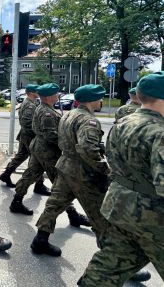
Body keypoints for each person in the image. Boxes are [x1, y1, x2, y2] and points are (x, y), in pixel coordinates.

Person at [78, 74, 164, 286]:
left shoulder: (124, 122)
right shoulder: (160, 132)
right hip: (153, 217)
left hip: (121, 208)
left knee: (105, 270)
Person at [9, 83, 90, 230]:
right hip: (47, 152)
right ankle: (73, 215)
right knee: (60, 184)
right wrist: (68, 143)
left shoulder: (44, 108)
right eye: (56, 94)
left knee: (30, 174)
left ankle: (16, 201)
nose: (58, 96)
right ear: (49, 96)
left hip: (39, 148)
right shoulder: (47, 113)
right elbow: (50, 135)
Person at [0, 84, 49, 194]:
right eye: (36, 91)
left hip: (26, 135)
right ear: (31, 93)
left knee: (21, 156)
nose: (38, 93)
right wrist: (37, 134)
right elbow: (26, 123)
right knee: (38, 160)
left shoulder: (31, 103)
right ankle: (39, 185)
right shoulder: (30, 105)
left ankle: (6, 174)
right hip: (29, 136)